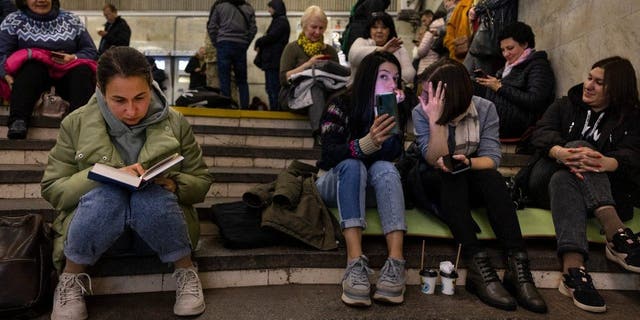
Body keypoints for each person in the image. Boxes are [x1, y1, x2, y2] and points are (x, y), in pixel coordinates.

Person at [40, 46, 212, 319]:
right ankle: (71, 279)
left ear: (151, 86)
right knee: (109, 194)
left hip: (159, 230)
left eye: (140, 98)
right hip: (98, 232)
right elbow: (53, 189)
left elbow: (201, 180)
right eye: (119, 100)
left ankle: (185, 271)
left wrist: (175, 184)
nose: (132, 110)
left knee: (149, 196)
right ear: (100, 90)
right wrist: (100, 174)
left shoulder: (175, 122)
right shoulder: (75, 123)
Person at [412, 58, 546, 313]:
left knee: (492, 178)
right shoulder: (422, 111)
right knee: (449, 174)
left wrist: (468, 162)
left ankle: (518, 266)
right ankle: (477, 265)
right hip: (434, 181)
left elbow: (492, 159)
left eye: (431, 93)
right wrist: (436, 120)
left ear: (451, 94)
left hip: (468, 175)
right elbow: (433, 159)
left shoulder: (484, 109)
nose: (425, 98)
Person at [526, 56, 640, 313]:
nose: (588, 85)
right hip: (544, 180)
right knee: (578, 148)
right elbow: (540, 134)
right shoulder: (565, 105)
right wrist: (560, 152)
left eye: (599, 82)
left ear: (617, 89)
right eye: (589, 77)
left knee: (564, 178)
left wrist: (608, 162)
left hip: (591, 189)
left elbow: (634, 154)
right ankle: (616, 235)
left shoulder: (631, 118)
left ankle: (573, 270)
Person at [315, 51, 407, 307]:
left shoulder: (392, 110)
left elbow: (393, 155)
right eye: (384, 77)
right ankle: (354, 262)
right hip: (334, 181)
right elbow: (330, 153)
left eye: (396, 79)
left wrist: (388, 129)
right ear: (368, 78)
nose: (392, 84)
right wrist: (368, 142)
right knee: (353, 165)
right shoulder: (341, 103)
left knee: (385, 169)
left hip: (369, 187)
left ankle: (396, 263)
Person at [0, 0, 97, 139]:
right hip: (32, 76)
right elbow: (1, 53)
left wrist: (73, 57)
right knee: (31, 68)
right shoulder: (13, 20)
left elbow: (91, 50)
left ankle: (81, 125)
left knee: (82, 71)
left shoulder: (71, 19)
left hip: (66, 72)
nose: (41, 0)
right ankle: (18, 121)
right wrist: (5, 75)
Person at [475, 21, 555, 138]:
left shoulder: (538, 65)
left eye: (510, 48)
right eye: (503, 50)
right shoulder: (507, 68)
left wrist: (499, 87)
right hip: (501, 114)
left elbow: (535, 101)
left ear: (525, 44)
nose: (506, 54)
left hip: (519, 122)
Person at [279, 5, 341, 137]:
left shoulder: (330, 51)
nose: (318, 32)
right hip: (293, 96)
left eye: (321, 28)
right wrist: (308, 65)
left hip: (324, 95)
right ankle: (320, 133)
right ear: (304, 26)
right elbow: (283, 79)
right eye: (314, 27)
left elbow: (339, 80)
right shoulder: (292, 48)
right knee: (314, 87)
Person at [207, 0, 257, 109]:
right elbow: (253, 29)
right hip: (241, 45)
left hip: (224, 44)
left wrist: (217, 42)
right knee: (242, 80)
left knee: (224, 78)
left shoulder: (220, 6)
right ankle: (244, 108)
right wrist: (245, 43)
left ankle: (226, 108)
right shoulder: (248, 8)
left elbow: (212, 27)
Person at [348, 11, 415, 86]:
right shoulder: (361, 41)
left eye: (384, 27)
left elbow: (410, 73)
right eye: (375, 27)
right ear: (369, 30)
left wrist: (388, 81)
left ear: (390, 30)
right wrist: (382, 50)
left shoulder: (398, 47)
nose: (379, 31)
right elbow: (354, 56)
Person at [464, 0, 518, 77]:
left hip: (493, 36)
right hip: (486, 37)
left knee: (480, 77)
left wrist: (477, 9)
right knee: (467, 74)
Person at [253, 0, 290, 110]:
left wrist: (258, 41)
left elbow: (272, 37)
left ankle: (276, 111)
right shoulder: (278, 21)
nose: (269, 11)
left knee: (273, 88)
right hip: (272, 61)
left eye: (270, 8)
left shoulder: (281, 22)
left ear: (276, 8)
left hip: (274, 61)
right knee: (271, 88)